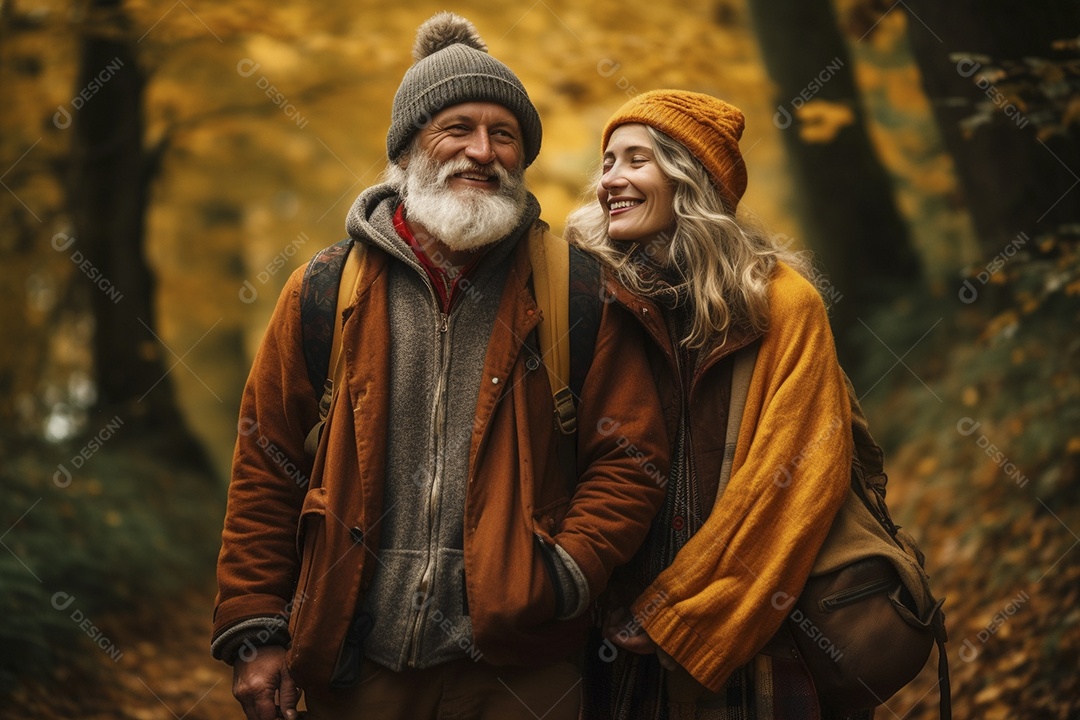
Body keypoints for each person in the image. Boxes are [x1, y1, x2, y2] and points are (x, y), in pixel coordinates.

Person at [211, 14, 669, 720]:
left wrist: (563, 574)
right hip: (357, 668)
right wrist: (255, 630)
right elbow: (266, 464)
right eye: (457, 128)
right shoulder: (323, 291)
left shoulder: (578, 289)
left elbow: (632, 456)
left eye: (504, 134)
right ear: (406, 149)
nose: (482, 151)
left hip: (526, 672)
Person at [567, 89, 861, 719]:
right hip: (607, 629)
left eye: (635, 160)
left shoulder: (783, 303)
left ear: (689, 179)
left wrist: (681, 614)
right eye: (607, 162)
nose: (611, 180)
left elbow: (798, 478)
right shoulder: (590, 295)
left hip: (751, 627)